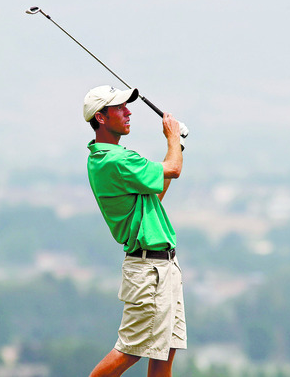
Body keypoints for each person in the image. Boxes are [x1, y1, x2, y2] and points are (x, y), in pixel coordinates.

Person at [83, 85, 188, 377]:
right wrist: (172, 138)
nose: (128, 112)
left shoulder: (111, 158)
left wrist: (176, 145)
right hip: (149, 269)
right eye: (119, 108)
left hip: (162, 266)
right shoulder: (115, 160)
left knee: (164, 351)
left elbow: (158, 194)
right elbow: (174, 168)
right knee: (130, 351)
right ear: (101, 118)